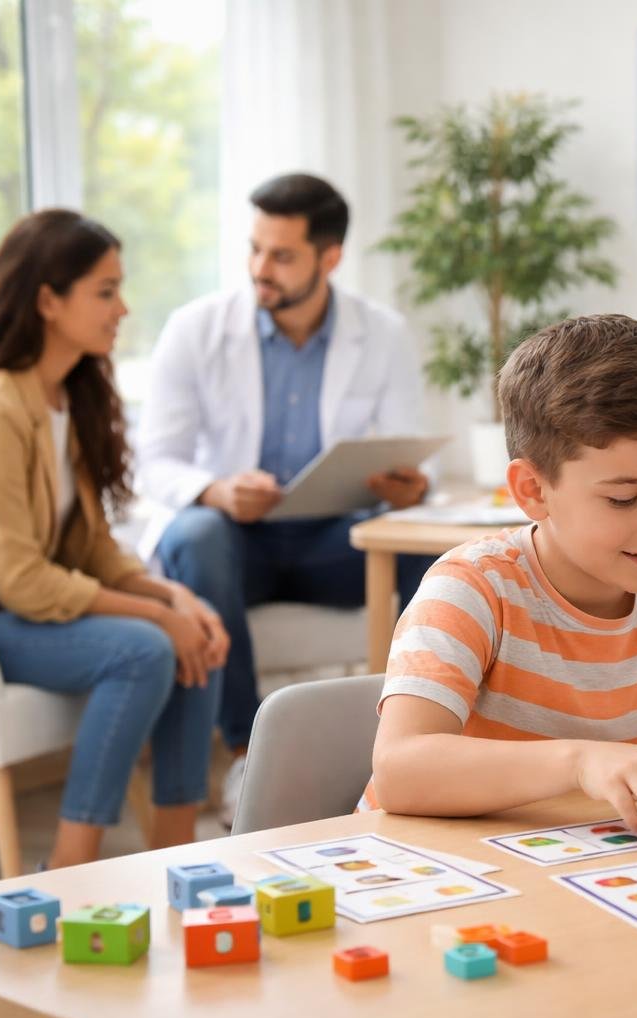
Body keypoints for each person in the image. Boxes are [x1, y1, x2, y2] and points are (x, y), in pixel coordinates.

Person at [0, 210, 228, 868]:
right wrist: (153, 616)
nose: (124, 308)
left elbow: (89, 547)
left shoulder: (61, 397)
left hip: (19, 614)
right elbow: (19, 580)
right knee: (145, 649)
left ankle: (177, 855)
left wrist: (174, 598)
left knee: (197, 635)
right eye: (106, 291)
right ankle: (71, 865)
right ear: (48, 301)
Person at [362, 315, 637, 831]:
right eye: (623, 498)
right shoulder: (471, 590)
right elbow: (398, 773)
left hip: (582, 863)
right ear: (533, 491)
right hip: (438, 869)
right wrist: (580, 762)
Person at [136, 173, 435, 820]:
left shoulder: (382, 334)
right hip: (233, 547)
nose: (259, 269)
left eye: (281, 255)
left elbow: (405, 447)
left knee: (426, 551)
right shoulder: (195, 330)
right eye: (254, 249)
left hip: (335, 543)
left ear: (330, 258)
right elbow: (151, 461)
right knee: (196, 533)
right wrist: (214, 490)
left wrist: (407, 485)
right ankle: (249, 752)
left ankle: (415, 740)